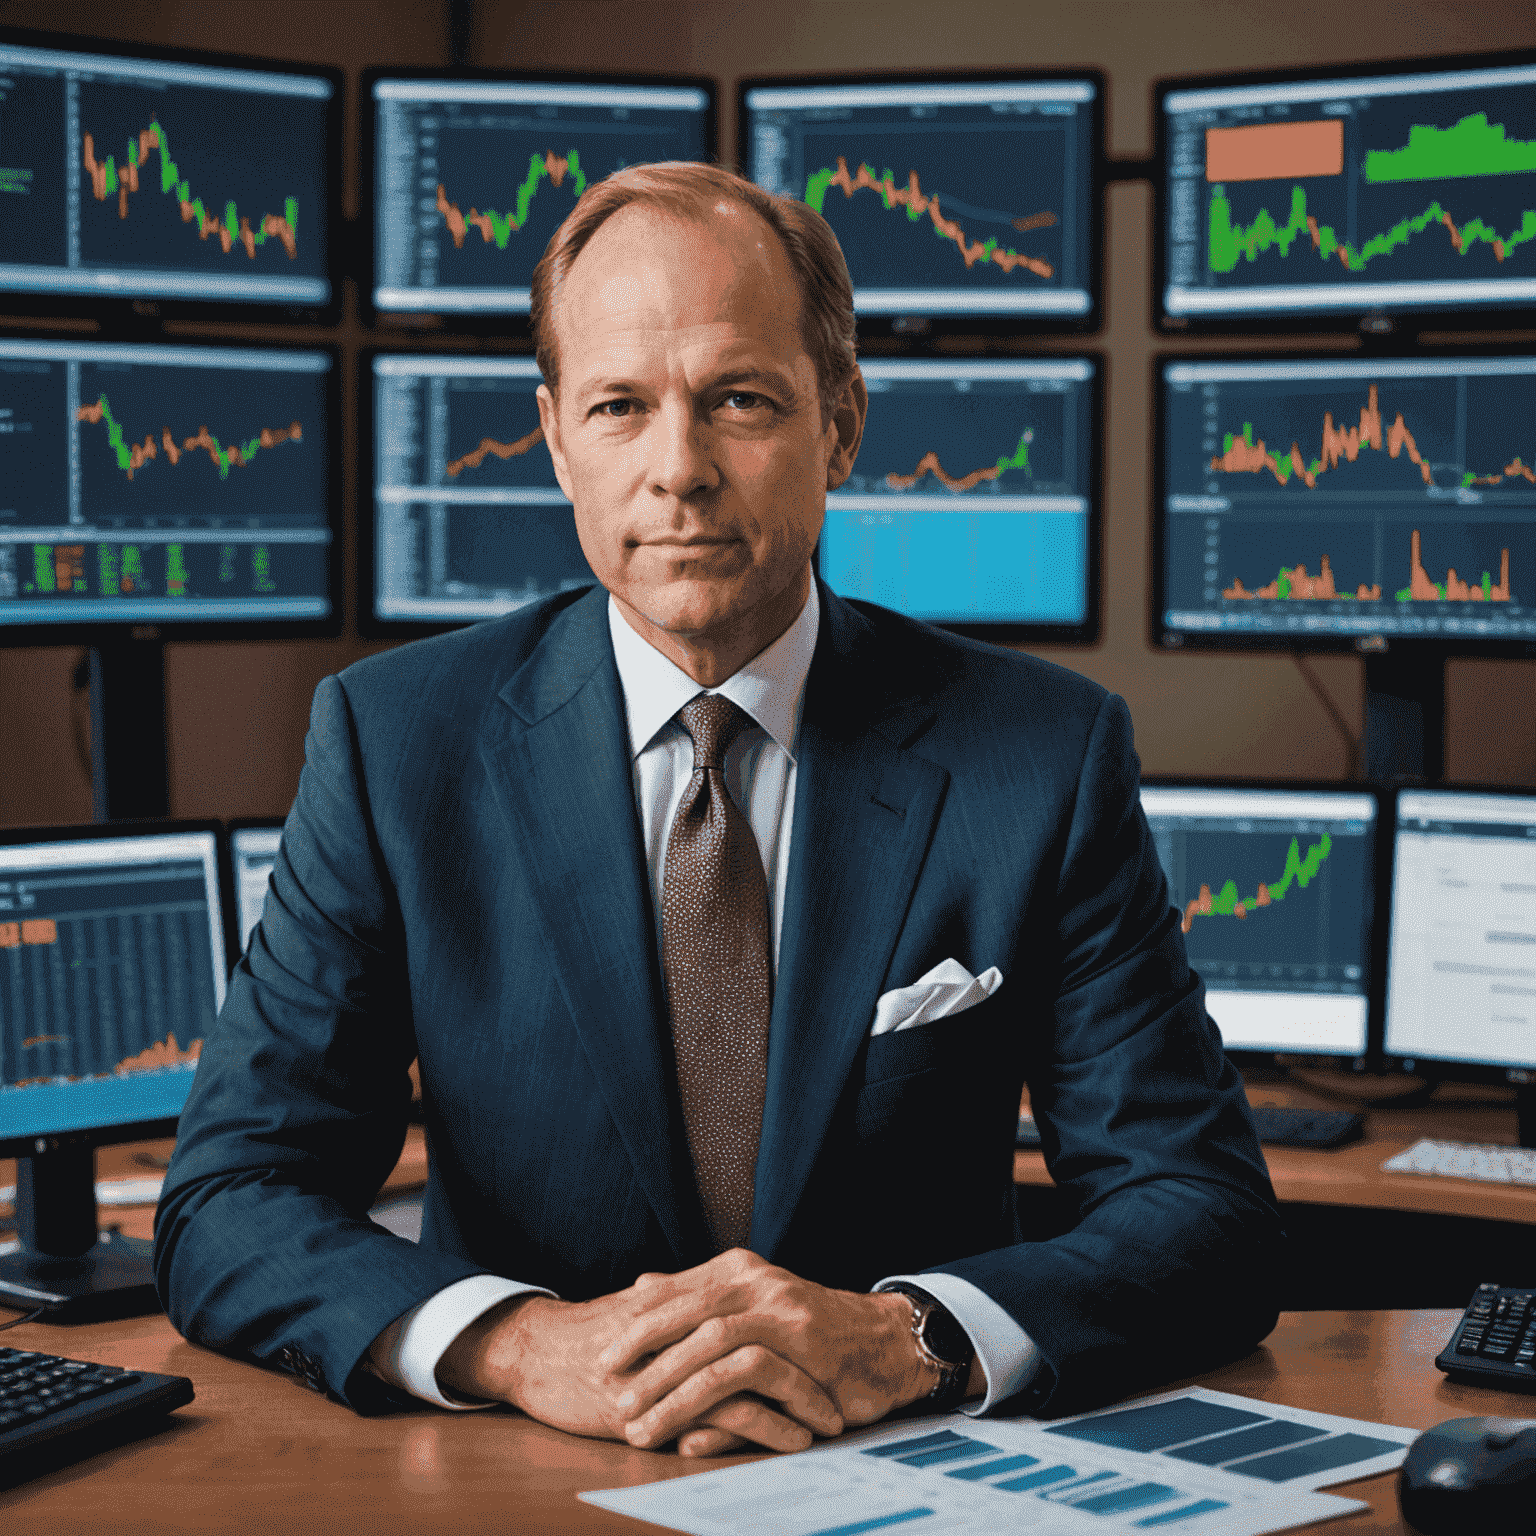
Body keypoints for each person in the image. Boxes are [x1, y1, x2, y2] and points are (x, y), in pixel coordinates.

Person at [155, 162, 1283, 1458]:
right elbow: (230, 1198)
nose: (677, 470)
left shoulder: (1039, 751)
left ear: (841, 423)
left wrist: (910, 1336)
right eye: (620, 407)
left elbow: (1201, 1210)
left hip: (906, 1474)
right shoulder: (397, 741)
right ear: (555, 437)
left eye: (738, 400)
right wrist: (524, 1345)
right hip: (524, 1476)